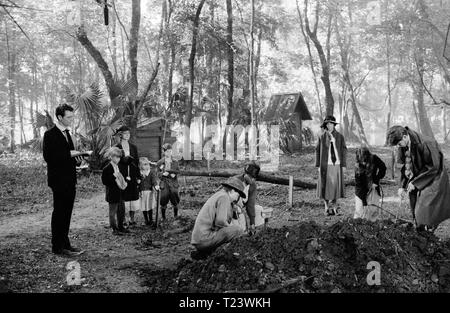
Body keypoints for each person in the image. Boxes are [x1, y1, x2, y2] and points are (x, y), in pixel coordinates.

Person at [386, 125, 450, 231]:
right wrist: (402, 186)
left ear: (405, 136)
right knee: (414, 204)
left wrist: (416, 183)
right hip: (417, 175)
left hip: (433, 176)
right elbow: (403, 166)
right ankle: (420, 230)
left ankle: (427, 231)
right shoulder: (403, 145)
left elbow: (433, 166)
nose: (398, 146)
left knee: (425, 208)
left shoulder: (426, 143)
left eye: (398, 143)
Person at [42, 104, 85, 256]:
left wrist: (78, 159)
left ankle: (65, 244)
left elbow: (70, 158)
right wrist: (70, 154)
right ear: (60, 117)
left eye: (73, 117)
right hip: (58, 181)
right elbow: (49, 157)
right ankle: (57, 247)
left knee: (67, 213)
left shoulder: (68, 134)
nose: (72, 120)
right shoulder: (50, 135)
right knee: (59, 213)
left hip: (70, 180)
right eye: (69, 117)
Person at [190, 176, 246, 260]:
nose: (237, 199)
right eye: (238, 195)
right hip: (204, 240)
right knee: (238, 230)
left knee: (233, 229)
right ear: (232, 190)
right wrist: (233, 230)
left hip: (199, 240)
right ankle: (229, 256)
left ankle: (207, 253)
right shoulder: (224, 197)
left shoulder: (220, 194)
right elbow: (220, 222)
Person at [315, 115, 347, 216]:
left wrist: (344, 164)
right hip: (325, 164)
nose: (329, 126)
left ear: (334, 125)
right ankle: (326, 207)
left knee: (335, 186)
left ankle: (334, 207)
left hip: (336, 164)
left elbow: (344, 150)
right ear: (325, 125)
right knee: (326, 185)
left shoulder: (340, 137)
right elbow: (317, 150)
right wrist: (318, 165)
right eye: (327, 124)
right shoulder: (322, 136)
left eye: (331, 124)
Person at [114, 126, 140, 226]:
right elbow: (115, 161)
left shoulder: (133, 147)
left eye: (129, 133)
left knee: (133, 195)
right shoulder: (117, 147)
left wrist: (138, 176)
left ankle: (132, 218)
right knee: (123, 196)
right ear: (120, 135)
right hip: (122, 174)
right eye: (125, 133)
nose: (127, 135)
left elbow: (136, 161)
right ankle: (123, 219)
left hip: (132, 174)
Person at [101, 147, 130, 235]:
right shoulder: (107, 168)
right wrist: (114, 176)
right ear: (111, 157)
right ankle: (114, 229)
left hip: (120, 192)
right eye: (116, 157)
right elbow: (104, 181)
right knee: (112, 212)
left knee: (121, 210)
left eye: (119, 157)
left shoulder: (118, 167)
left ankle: (121, 227)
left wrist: (125, 180)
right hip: (112, 193)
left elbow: (120, 178)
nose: (118, 159)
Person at [354, 147, 387, 221]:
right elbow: (359, 186)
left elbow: (383, 167)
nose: (363, 163)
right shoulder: (358, 167)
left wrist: (376, 180)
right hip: (361, 191)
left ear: (368, 156)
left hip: (374, 188)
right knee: (360, 211)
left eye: (364, 160)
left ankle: (372, 225)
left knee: (373, 210)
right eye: (361, 161)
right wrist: (364, 203)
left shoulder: (374, 158)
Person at [234, 161, 260, 235]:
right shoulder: (235, 180)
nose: (250, 178)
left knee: (258, 209)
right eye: (249, 175)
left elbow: (250, 205)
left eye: (252, 176)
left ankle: (252, 229)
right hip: (229, 209)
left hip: (240, 210)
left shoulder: (252, 186)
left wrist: (252, 223)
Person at [157, 143, 180, 220]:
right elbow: (157, 174)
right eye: (167, 151)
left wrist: (175, 175)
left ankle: (176, 215)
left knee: (175, 197)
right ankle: (163, 217)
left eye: (170, 151)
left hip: (173, 182)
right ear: (164, 152)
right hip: (164, 182)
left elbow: (178, 171)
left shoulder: (175, 161)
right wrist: (163, 174)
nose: (169, 153)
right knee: (164, 198)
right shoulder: (160, 162)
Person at [138, 157, 160, 226]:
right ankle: (146, 220)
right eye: (144, 164)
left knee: (149, 206)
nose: (146, 166)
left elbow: (154, 180)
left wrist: (156, 185)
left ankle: (151, 219)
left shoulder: (150, 173)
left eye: (147, 164)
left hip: (149, 192)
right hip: (142, 193)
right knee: (144, 207)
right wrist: (137, 184)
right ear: (140, 165)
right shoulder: (139, 173)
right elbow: (137, 183)